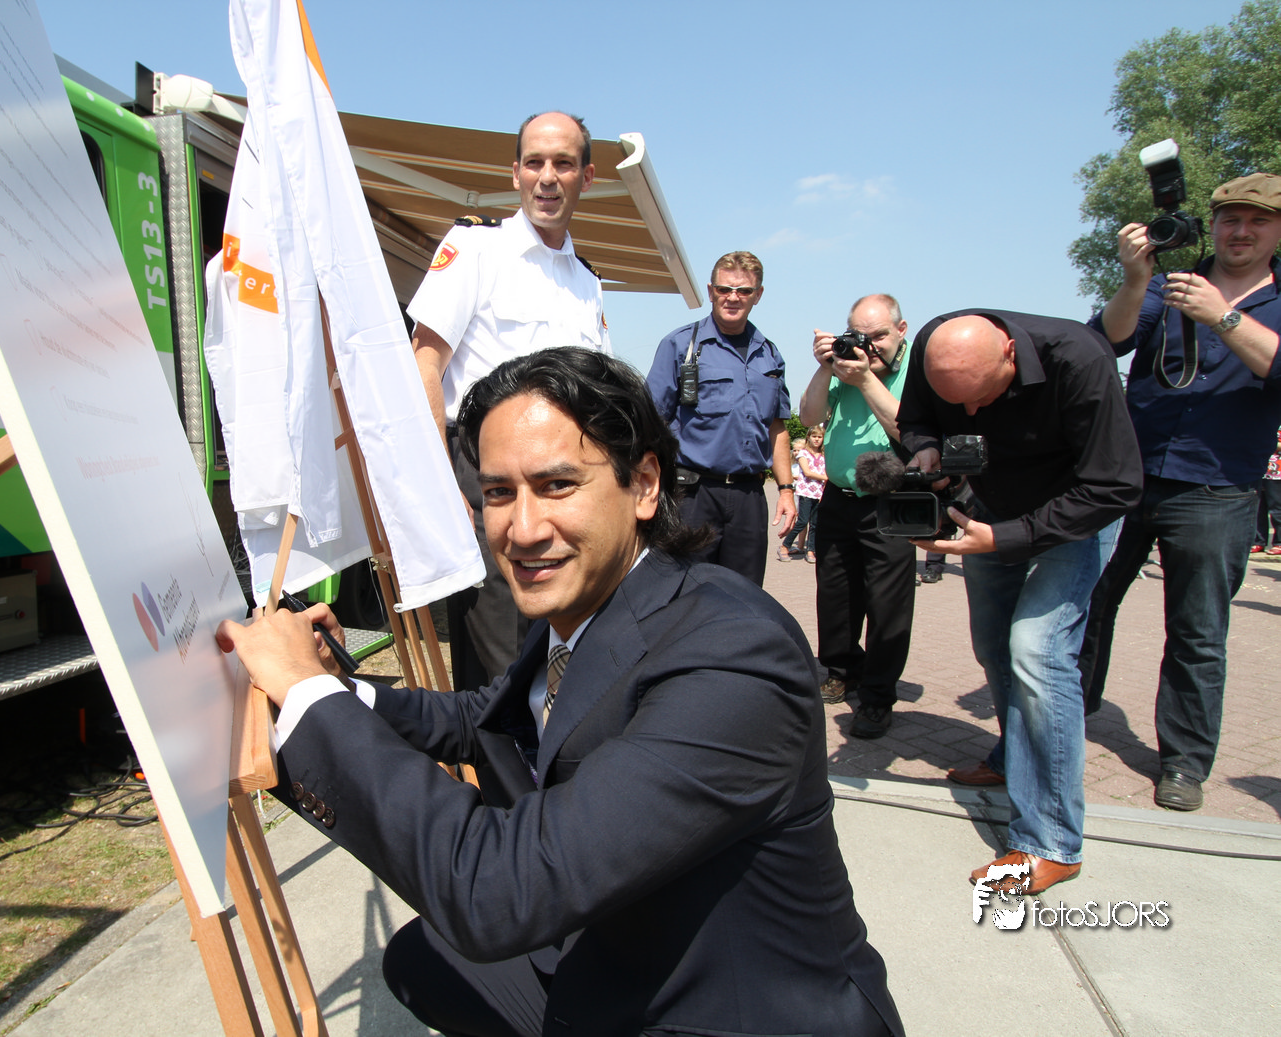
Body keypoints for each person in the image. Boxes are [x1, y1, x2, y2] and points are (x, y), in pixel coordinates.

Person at [217, 348, 903, 1037]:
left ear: (643, 485)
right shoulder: (592, 596)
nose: (522, 530)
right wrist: (337, 689)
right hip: (615, 941)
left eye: (556, 485)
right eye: (497, 493)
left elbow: (496, 890)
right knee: (421, 958)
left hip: (728, 1009)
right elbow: (489, 716)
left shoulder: (734, 655)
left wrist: (307, 692)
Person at [900, 310, 1141, 894]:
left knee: (1037, 650)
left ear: (1009, 353)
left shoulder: (1081, 360)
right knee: (993, 646)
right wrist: (925, 448)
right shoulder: (935, 343)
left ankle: (1051, 843)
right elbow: (916, 418)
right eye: (958, 403)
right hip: (991, 509)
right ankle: (1014, 760)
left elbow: (1115, 485)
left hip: (1073, 516)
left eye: (982, 398)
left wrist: (1006, 538)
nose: (972, 414)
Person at [1077, 172, 1281, 812]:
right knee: (1084, 603)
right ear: (1212, 225)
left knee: (1196, 632)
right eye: (1230, 219)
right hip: (1127, 475)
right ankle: (1065, 720)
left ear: (1277, 231)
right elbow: (1104, 342)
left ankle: (1184, 762)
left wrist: (1223, 317)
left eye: (1257, 221)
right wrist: (1135, 280)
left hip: (1217, 489)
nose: (1241, 232)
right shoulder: (1170, 285)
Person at [407, 111, 610, 691]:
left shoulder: (587, 280)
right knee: (496, 663)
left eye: (563, 164)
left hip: (566, 481)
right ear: (515, 172)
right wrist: (439, 483)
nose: (548, 177)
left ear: (586, 177)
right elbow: (424, 362)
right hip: (486, 475)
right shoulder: (476, 248)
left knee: (560, 645)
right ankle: (495, 754)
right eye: (535, 162)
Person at [799, 294, 916, 739]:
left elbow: (906, 431)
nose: (869, 345)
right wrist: (824, 366)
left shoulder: (915, 370)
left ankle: (878, 696)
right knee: (835, 594)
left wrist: (865, 378)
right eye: (859, 336)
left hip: (892, 500)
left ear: (901, 330)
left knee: (887, 605)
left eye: (879, 335)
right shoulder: (843, 368)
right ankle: (841, 670)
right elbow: (808, 415)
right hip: (838, 497)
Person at [646, 251, 795, 585]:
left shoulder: (769, 354)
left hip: (749, 497)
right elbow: (651, 422)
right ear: (711, 291)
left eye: (744, 290)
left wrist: (786, 490)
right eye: (725, 289)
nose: (733, 297)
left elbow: (777, 427)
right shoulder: (681, 346)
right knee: (682, 589)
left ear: (758, 295)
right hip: (692, 495)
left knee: (744, 593)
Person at [780, 426, 826, 562]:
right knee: (802, 521)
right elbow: (807, 472)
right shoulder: (803, 454)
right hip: (806, 492)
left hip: (819, 493)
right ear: (808, 438)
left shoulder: (824, 455)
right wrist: (826, 478)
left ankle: (811, 550)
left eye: (819, 437)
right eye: (814, 436)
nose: (817, 439)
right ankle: (785, 546)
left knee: (815, 524)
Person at [1257, 426, 1281, 553]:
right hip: (1260, 471)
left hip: (1277, 472)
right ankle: (1258, 541)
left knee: (1277, 509)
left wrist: (1268, 442)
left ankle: (1279, 542)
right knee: (1258, 509)